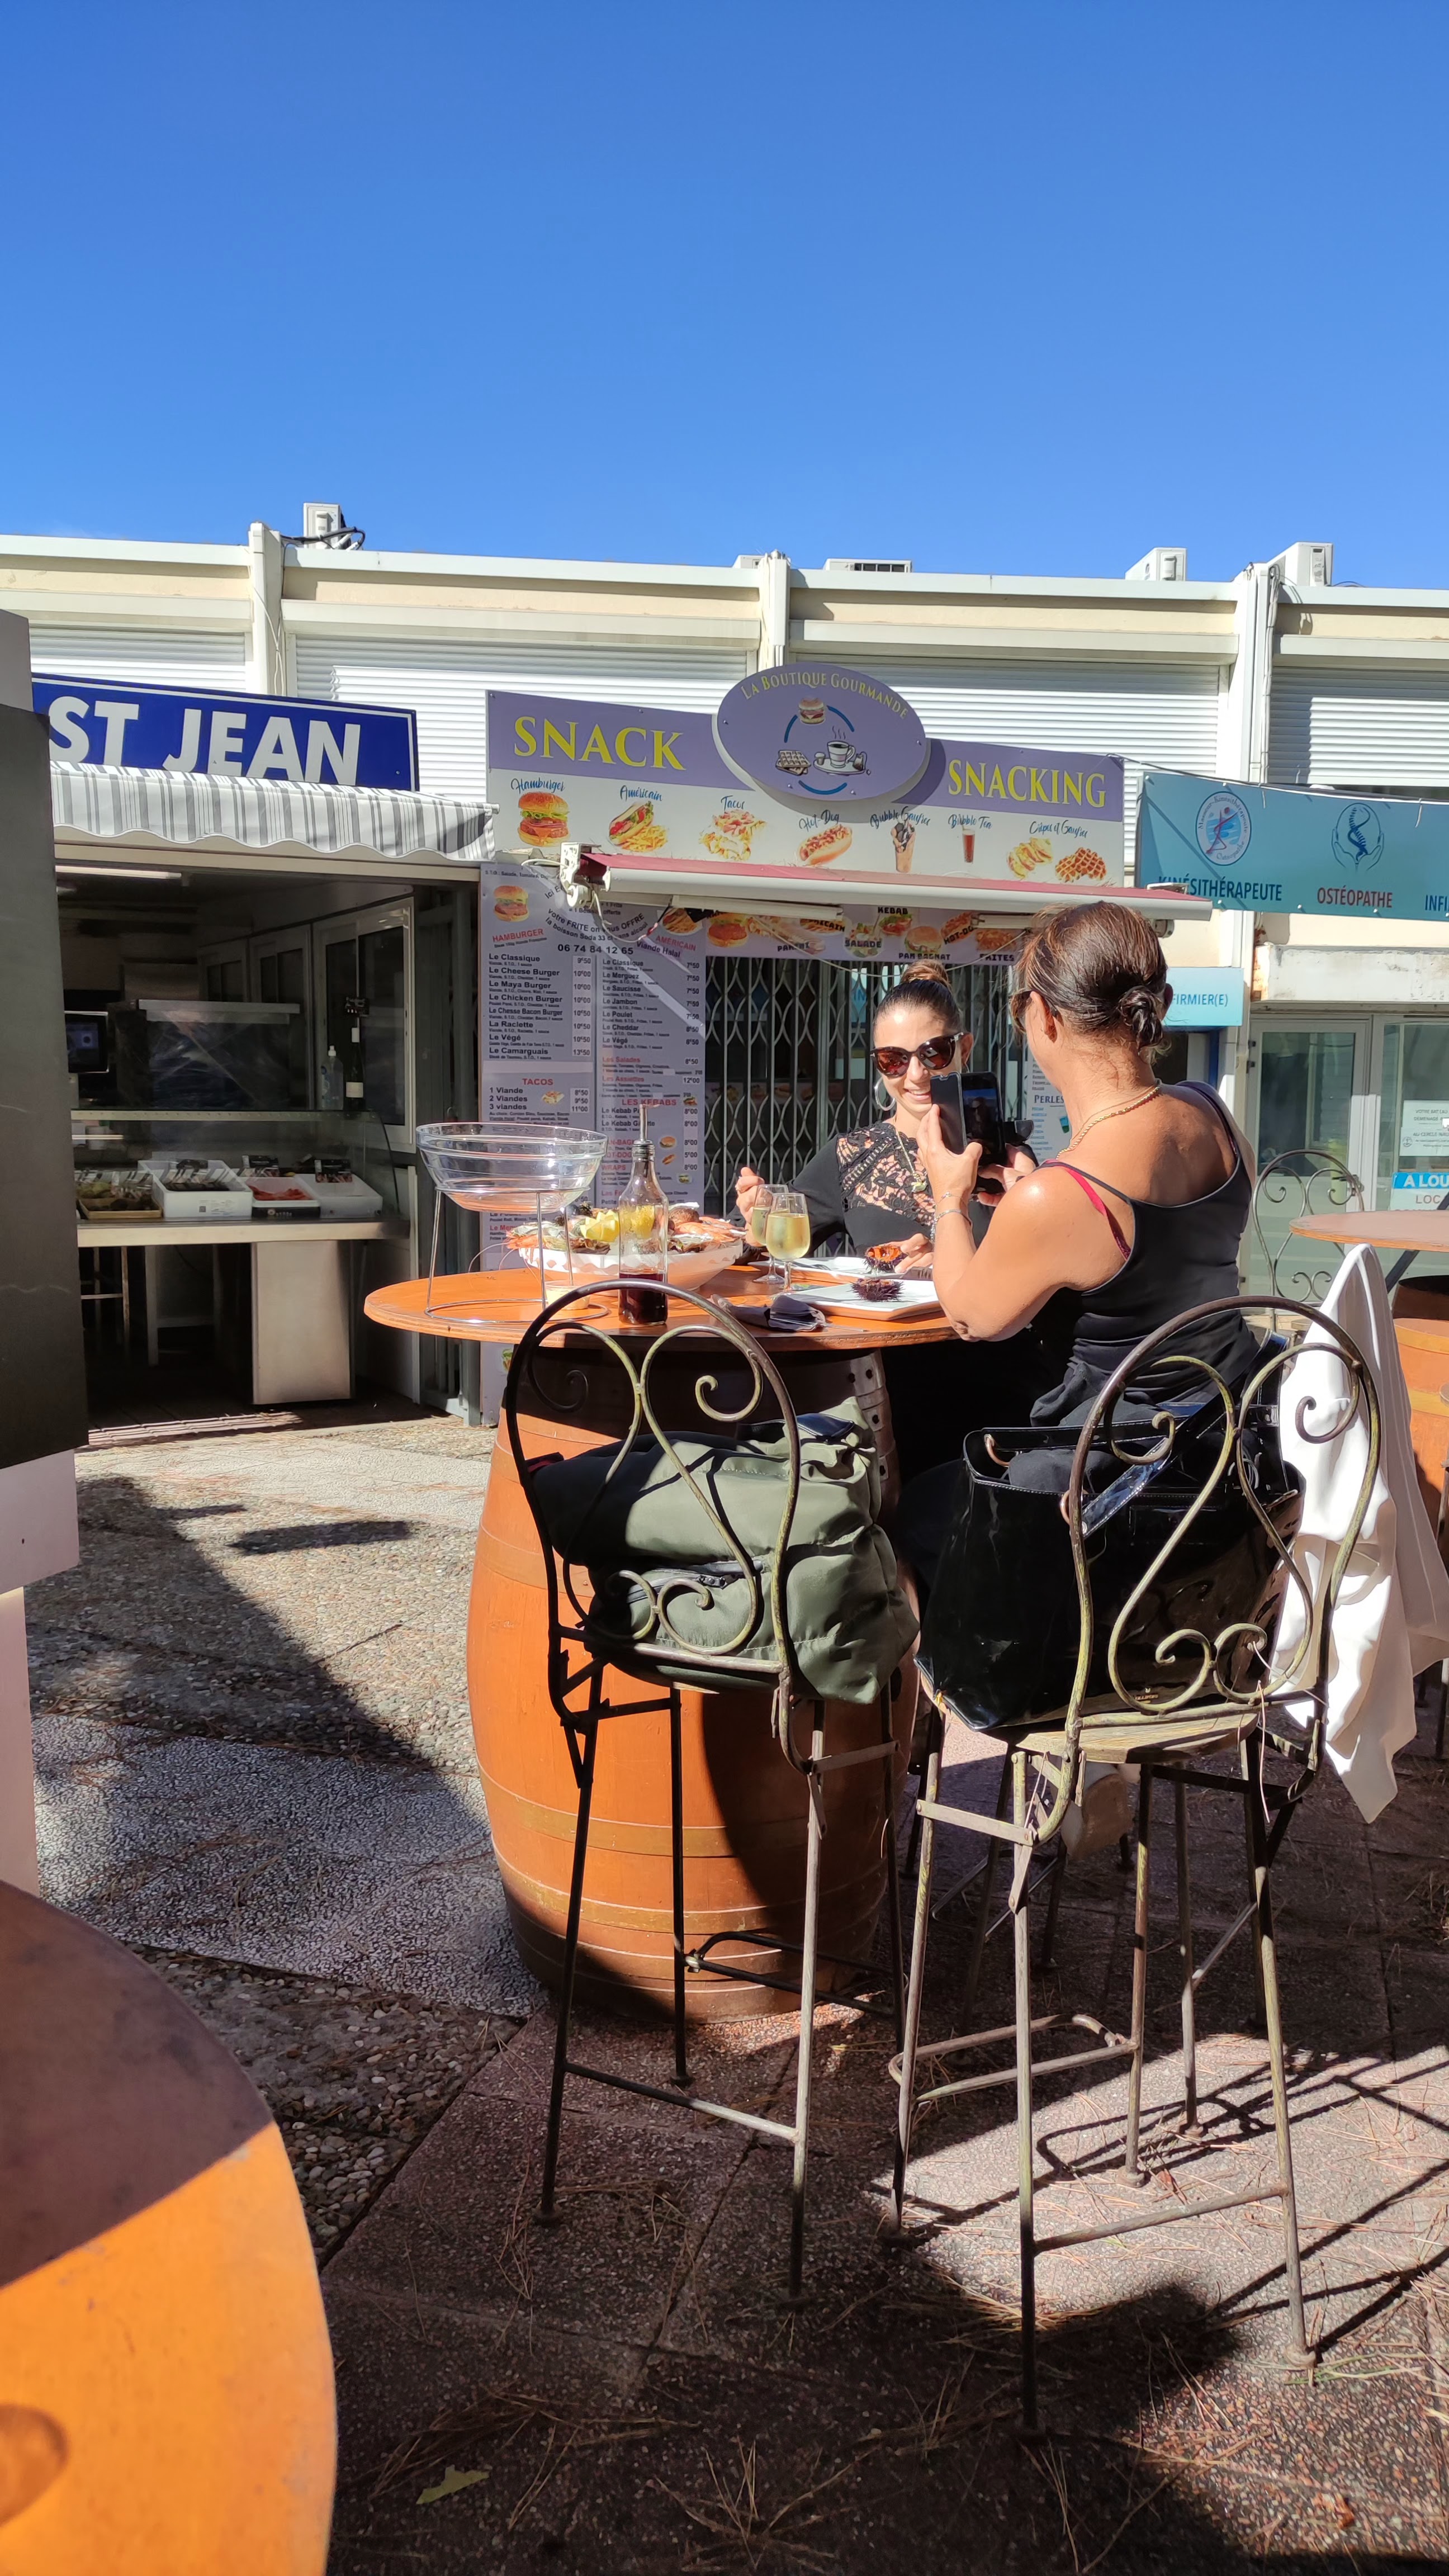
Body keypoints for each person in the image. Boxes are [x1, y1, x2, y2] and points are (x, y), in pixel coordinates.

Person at [896, 900, 1259, 1586]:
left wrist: (948, 1196)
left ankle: (976, 1660)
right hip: (1216, 1458)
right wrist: (1033, 1195)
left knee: (912, 1510)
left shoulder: (1065, 1193)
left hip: (1101, 1491)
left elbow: (972, 1317)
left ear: (1044, 1016)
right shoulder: (1215, 1116)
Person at [733, 962, 1038, 1480]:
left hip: (998, 1401)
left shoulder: (1009, 1160)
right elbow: (769, 1244)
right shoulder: (852, 1156)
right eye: (894, 1060)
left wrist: (946, 1252)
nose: (915, 1075)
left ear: (963, 1049)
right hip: (886, 1403)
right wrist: (756, 1215)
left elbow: (1035, 1281)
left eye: (933, 1053)